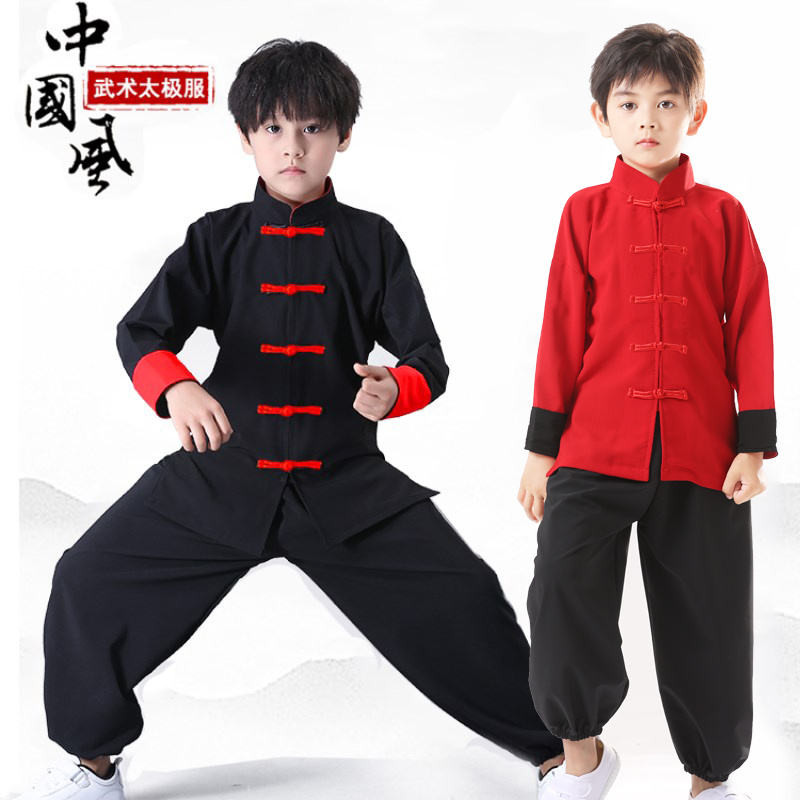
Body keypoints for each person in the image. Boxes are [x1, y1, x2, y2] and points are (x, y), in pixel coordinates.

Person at [20, 38, 565, 800]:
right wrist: (177, 390)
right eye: (273, 128)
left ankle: (562, 759)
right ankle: (92, 764)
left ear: (344, 136)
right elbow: (140, 331)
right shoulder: (217, 238)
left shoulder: (373, 241)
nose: (293, 147)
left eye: (312, 128)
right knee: (85, 578)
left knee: (467, 596)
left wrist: (394, 388)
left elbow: (427, 358)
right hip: (222, 473)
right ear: (245, 137)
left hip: (344, 482)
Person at [517, 23, 776, 800]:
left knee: (710, 619)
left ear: (696, 114)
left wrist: (753, 444)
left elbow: (751, 325)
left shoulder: (724, 215)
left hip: (704, 453)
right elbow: (561, 328)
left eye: (667, 102)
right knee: (561, 594)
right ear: (602, 116)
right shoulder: (585, 213)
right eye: (629, 104)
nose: (648, 120)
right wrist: (541, 448)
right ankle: (583, 757)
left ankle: (710, 781)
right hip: (593, 447)